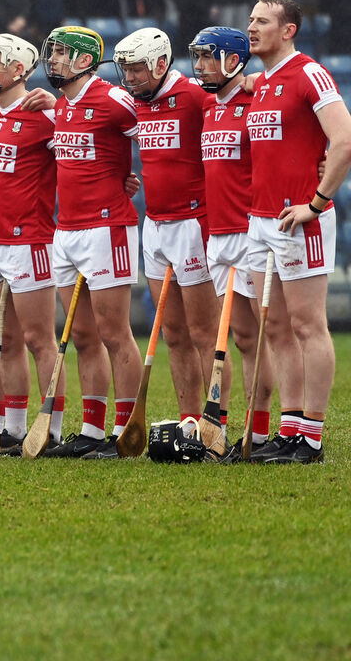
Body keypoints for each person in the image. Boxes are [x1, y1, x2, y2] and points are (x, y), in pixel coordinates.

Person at [245, 0, 351, 464]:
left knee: (308, 324)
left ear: (287, 30)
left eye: (262, 21)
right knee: (277, 329)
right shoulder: (260, 83)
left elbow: (344, 138)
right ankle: (290, 430)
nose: (251, 28)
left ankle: (311, 436)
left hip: (297, 218)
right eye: (250, 19)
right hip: (260, 219)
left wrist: (318, 202)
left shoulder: (309, 72)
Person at [37, 26, 144, 458]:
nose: (54, 60)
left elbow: (156, 131)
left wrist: (132, 178)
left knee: (115, 333)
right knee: (82, 335)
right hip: (66, 231)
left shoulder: (113, 98)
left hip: (107, 227)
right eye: (53, 52)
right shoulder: (63, 105)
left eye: (63, 53)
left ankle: (125, 430)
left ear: (85, 60)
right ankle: (93, 430)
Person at [113, 26, 222, 430]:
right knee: (174, 333)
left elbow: (242, 112)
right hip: (155, 225)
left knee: (205, 332)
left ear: (161, 62)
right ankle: (189, 420)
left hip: (193, 224)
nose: (131, 78)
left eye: (138, 69)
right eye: (126, 70)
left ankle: (216, 423)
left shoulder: (195, 95)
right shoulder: (135, 103)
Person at [188, 26, 277, 456]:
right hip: (217, 236)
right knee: (241, 337)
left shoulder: (256, 98)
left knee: (259, 337)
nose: (201, 66)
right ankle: (229, 431)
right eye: (198, 57)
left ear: (233, 60)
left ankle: (259, 435)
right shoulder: (206, 104)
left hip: (250, 232)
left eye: (208, 57)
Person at [0, 33, 63, 454]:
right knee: (4, 340)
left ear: (19, 70)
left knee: (38, 339)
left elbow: (89, 147)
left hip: (30, 241)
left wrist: (120, 178)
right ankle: (12, 429)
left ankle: (54, 429)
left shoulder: (44, 115)